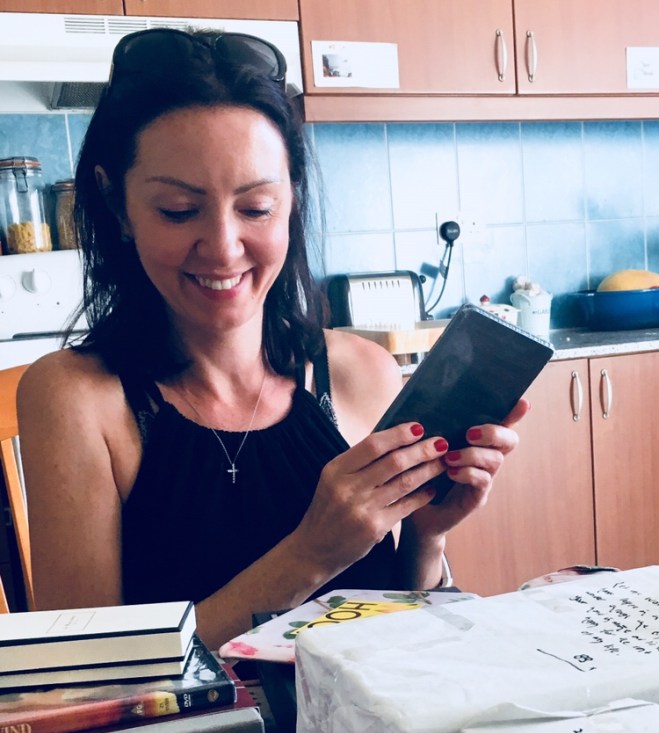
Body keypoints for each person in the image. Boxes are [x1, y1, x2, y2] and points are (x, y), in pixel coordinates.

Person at [17, 28, 529, 652]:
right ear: (117, 205)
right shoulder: (75, 398)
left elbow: (405, 639)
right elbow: (86, 675)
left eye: (256, 208)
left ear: (291, 200)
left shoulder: (361, 373)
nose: (223, 247)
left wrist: (426, 536)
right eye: (178, 210)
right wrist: (310, 555)